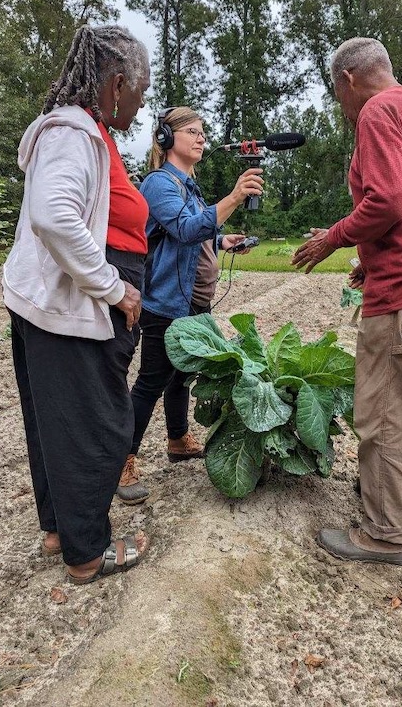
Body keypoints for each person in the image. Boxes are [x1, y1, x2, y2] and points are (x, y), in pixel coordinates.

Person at [292, 37, 402, 566]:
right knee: (398, 397)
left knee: (380, 411)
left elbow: (388, 199)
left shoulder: (378, 111)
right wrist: (370, 257)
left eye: (337, 95)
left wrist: (335, 236)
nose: (342, 110)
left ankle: (386, 534)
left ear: (348, 81)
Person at [3, 24, 151, 584]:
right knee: (98, 426)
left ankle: (60, 531)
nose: (140, 105)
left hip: (49, 306)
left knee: (55, 423)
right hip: (68, 309)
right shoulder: (73, 132)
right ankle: (87, 553)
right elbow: (53, 214)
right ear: (115, 85)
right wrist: (114, 287)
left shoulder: (84, 131)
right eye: (138, 91)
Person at [116, 106, 263, 505]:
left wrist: (221, 241)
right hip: (166, 302)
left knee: (182, 377)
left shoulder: (190, 187)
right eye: (192, 132)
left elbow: (197, 232)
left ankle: (178, 439)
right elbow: (183, 229)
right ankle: (122, 459)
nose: (201, 138)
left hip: (196, 301)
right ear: (166, 139)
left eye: (203, 132)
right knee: (152, 381)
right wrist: (234, 197)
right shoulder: (159, 184)